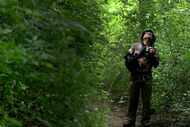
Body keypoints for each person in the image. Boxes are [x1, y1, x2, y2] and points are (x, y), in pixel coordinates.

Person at [123, 30, 159, 127]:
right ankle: (130, 119)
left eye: (150, 34)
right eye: (146, 34)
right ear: (142, 36)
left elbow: (156, 64)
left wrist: (152, 56)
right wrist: (138, 56)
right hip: (134, 76)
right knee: (133, 99)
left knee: (146, 101)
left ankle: (145, 121)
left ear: (152, 38)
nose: (148, 35)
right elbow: (127, 60)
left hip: (147, 77)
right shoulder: (135, 46)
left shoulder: (154, 49)